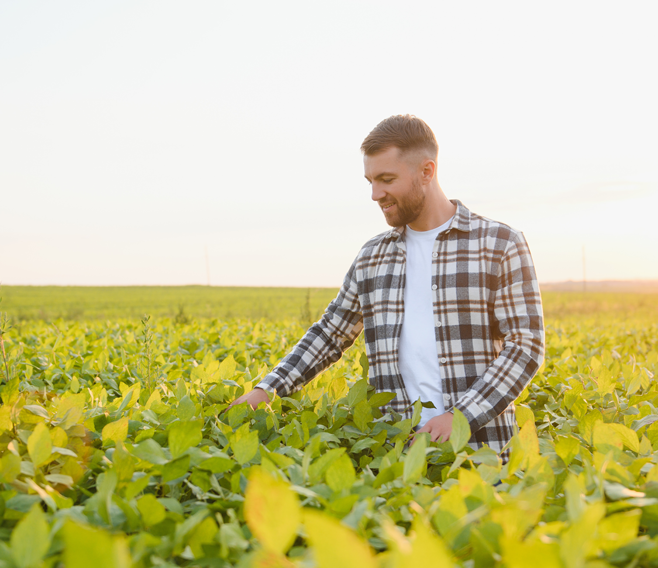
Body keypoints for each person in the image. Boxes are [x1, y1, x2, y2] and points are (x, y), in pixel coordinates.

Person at [231, 115, 545, 457]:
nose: (375, 194)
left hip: (482, 452)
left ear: (427, 171)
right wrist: (269, 389)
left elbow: (525, 346)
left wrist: (459, 418)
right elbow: (330, 333)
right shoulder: (372, 257)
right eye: (369, 181)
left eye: (386, 179)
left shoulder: (498, 243)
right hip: (397, 457)